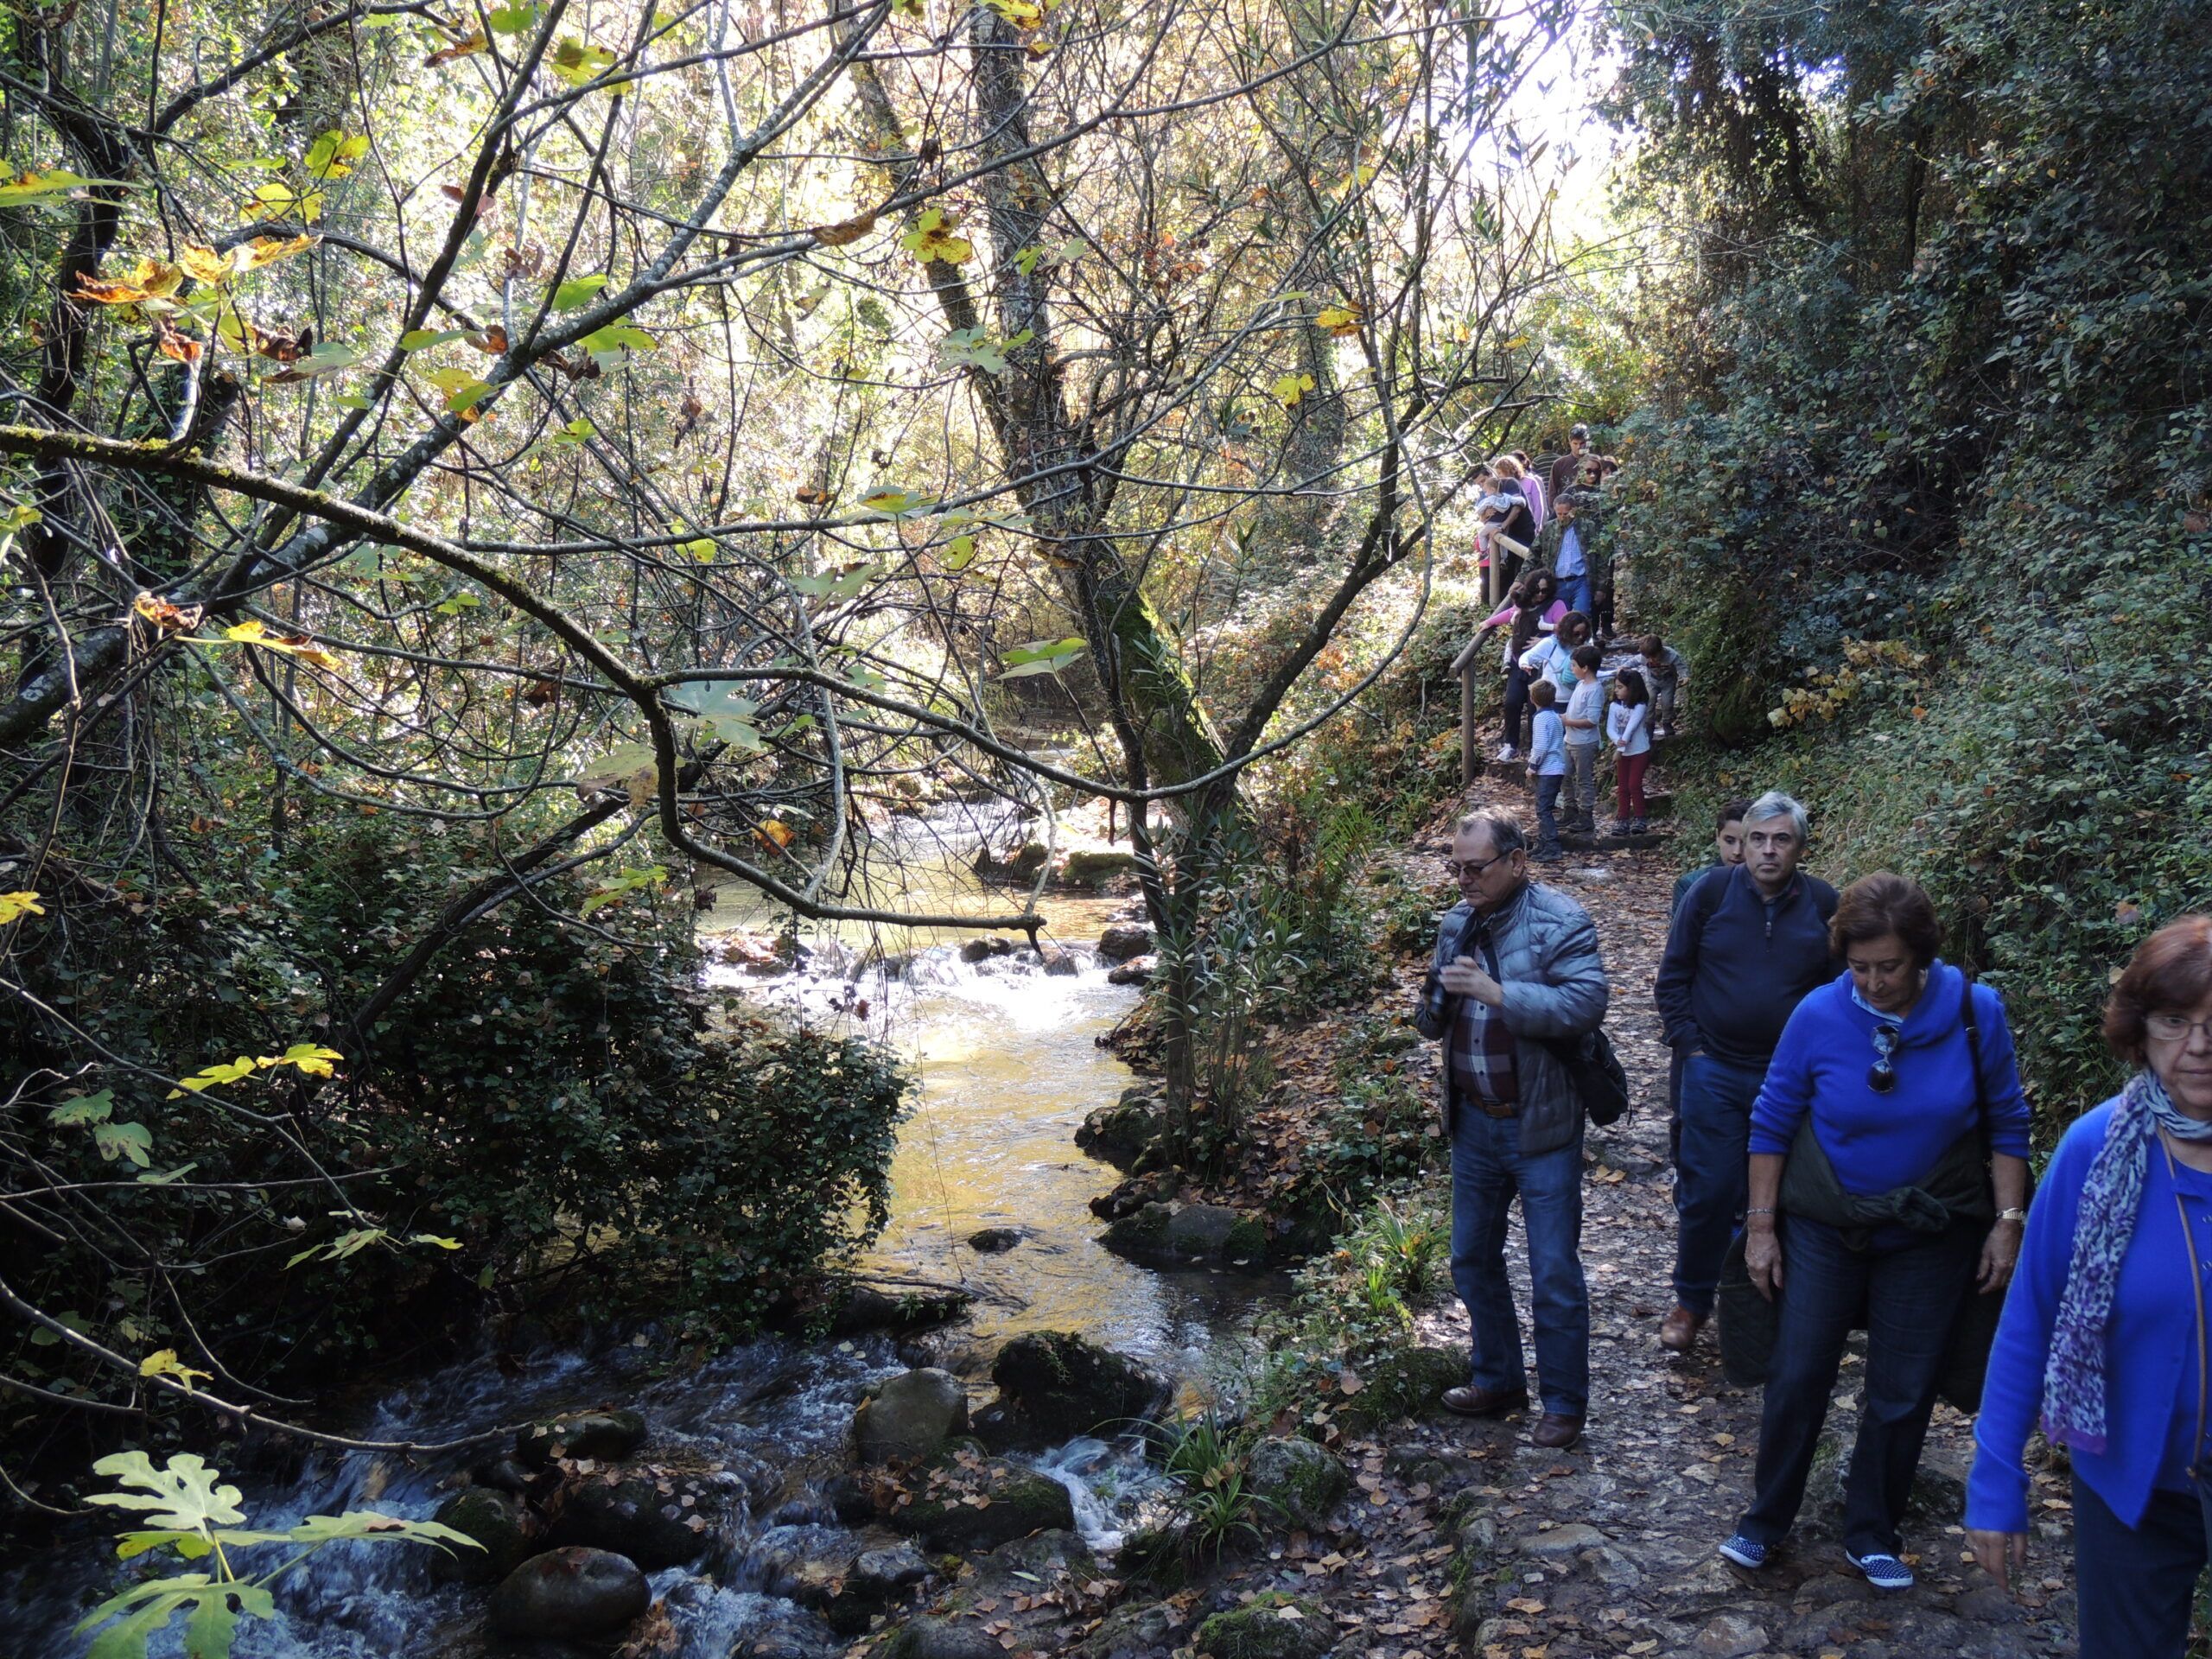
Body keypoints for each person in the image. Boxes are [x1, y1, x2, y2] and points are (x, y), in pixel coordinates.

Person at [1719, 874, 2031, 1592]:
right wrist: (1762, 1227)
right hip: (1826, 1228)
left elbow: (2008, 1125)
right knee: (1798, 1374)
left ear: (1921, 957)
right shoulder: (1819, 1015)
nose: (1875, 982)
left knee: (1903, 1387)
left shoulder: (1975, 1014)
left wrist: (2007, 1226)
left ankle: (1873, 1531)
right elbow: (1770, 1122)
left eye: (1889, 966)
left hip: (1931, 1232)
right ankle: (1764, 1522)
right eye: (1859, 967)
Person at [1967, 915, 2212, 1655]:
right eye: (2176, 1020)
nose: (2201, 1045)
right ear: (2141, 1031)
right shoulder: (2096, 1151)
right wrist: (1994, 1479)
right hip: (2133, 1484)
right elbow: (2032, 1319)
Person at [1416, 810, 1609, 1449]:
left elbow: (1585, 1005)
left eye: (1476, 867)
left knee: (1553, 1269)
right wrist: (1434, 998)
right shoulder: (1455, 923)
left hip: (1542, 1123)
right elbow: (1431, 1023)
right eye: (1456, 867)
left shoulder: (1561, 920)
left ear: (1517, 861)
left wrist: (1499, 994)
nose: (1463, 878)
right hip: (1474, 1122)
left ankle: (1564, 1403)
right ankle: (1498, 1377)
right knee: (1471, 1258)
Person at [1653, 791, 1839, 1352]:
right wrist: (1692, 1048)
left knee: (1784, 1196)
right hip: (1715, 1071)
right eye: (1758, 838)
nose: (1767, 850)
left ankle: (1760, 1305)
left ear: (1801, 848)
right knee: (1708, 1192)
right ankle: (1691, 1302)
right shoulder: (1710, 893)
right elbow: (1673, 975)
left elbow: (1839, 995)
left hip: (1789, 1080)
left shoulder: (1825, 904)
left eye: (1781, 839)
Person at [1667, 800, 1753, 1166]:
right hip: (1700, 1016)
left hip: (1750, 1028)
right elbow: (1678, 959)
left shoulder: (1777, 890)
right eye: (1728, 840)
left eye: (1743, 841)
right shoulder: (1695, 887)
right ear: (1717, 839)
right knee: (1686, 1109)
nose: (1736, 852)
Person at [1477, 574, 1563, 761]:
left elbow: (1565, 628)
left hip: (1540, 664)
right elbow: (1509, 614)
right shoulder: (1524, 602)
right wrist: (1489, 622)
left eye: (1545, 590)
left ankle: (1537, 747)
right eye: (1537, 590)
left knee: (1536, 706)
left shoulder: (1556, 605)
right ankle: (1510, 745)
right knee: (1512, 702)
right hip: (1518, 661)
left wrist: (1545, 640)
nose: (1541, 594)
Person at [1560, 645, 1605, 838]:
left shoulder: (1595, 689)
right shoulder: (1580, 685)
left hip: (1584, 743)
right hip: (1569, 739)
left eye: (1574, 665)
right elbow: (1573, 710)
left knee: (1584, 779)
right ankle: (1570, 809)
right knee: (1563, 774)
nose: (1572, 669)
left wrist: (1567, 721)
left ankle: (1586, 816)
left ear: (1585, 667)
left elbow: (1592, 720)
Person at [1518, 609, 1592, 721]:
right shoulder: (1551, 643)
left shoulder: (1586, 646)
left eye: (1584, 634)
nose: (1581, 637)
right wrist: (1524, 664)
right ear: (1567, 631)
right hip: (1553, 701)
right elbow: (1528, 656)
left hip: (1576, 700)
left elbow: (1592, 671)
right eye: (1576, 634)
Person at [1605, 667, 1652, 836]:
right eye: (1616, 687)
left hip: (1639, 751)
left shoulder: (1639, 706)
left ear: (1631, 688)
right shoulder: (1614, 706)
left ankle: (1640, 817)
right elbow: (1610, 728)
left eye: (1620, 687)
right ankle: (1622, 818)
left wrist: (1620, 747)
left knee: (1634, 784)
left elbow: (1631, 728)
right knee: (1623, 786)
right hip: (1622, 752)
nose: (1616, 691)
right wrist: (1617, 742)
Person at [1536, 491, 1597, 619]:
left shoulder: (1588, 527)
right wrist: (1520, 579)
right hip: (1557, 581)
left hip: (1580, 579)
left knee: (1582, 614)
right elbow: (1533, 553)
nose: (1563, 517)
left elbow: (1600, 557)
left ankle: (1584, 638)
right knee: (1560, 619)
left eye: (1566, 514)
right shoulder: (1549, 528)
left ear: (1573, 511)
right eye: (1559, 514)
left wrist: (1601, 586)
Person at [1527, 681, 1567, 861]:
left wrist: (1532, 765)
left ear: (1533, 698)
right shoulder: (1555, 716)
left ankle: (1552, 847)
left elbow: (1541, 746)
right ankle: (1542, 844)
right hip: (1557, 767)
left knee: (1543, 810)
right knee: (1544, 807)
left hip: (1548, 769)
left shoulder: (1540, 718)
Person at [1640, 635, 1688, 739]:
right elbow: (1633, 661)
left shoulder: (1672, 655)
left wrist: (1685, 676)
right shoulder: (1645, 657)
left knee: (1667, 702)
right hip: (1651, 681)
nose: (1651, 660)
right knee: (1650, 699)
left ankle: (1667, 723)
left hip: (1668, 682)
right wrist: (1624, 666)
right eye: (1648, 658)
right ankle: (1649, 724)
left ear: (1661, 651)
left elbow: (1681, 666)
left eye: (1654, 657)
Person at [1549, 423, 1592, 502]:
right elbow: (1552, 493)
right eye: (1575, 443)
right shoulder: (1559, 464)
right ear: (1570, 442)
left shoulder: (1596, 462)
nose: (1578, 447)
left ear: (1587, 442)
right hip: (1566, 511)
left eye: (1582, 443)